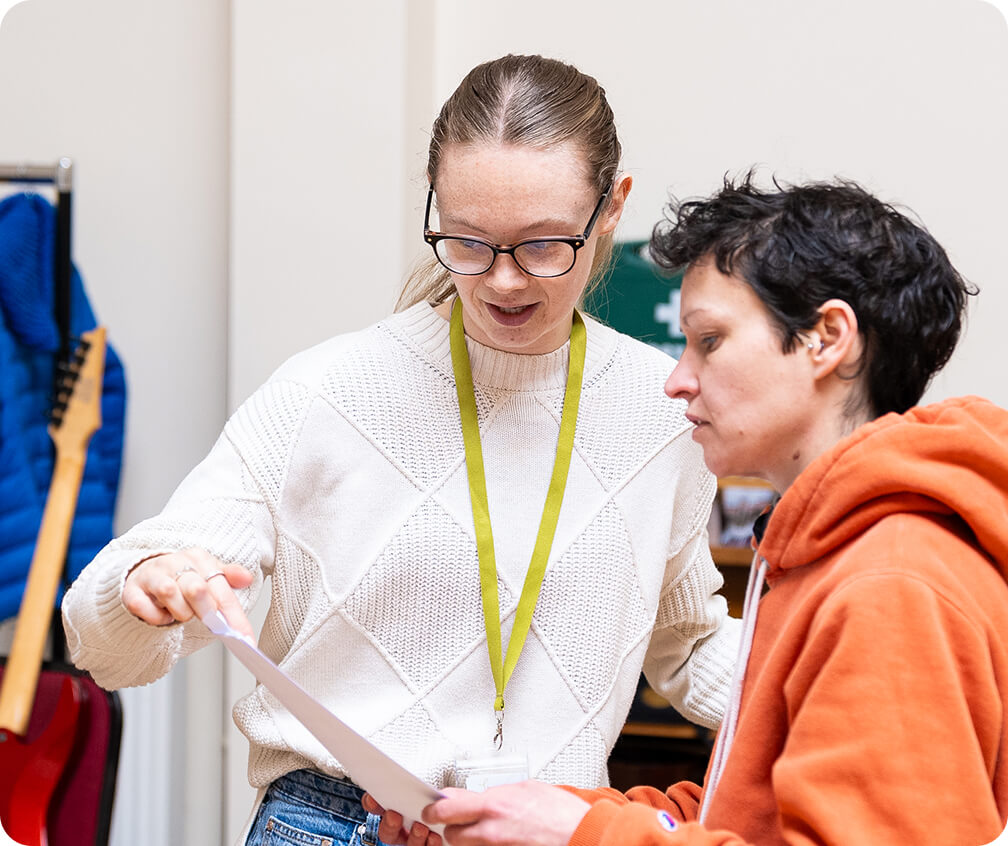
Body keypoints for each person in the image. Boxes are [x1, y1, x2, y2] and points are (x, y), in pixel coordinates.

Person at [60, 54, 740, 845]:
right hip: (335, 824)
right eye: (469, 241)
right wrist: (144, 584)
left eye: (544, 244)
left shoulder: (663, 410)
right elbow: (103, 641)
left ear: (611, 207)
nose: (504, 282)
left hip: (547, 830)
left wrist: (846, 691)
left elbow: (687, 643)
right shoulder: (331, 390)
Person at [370, 173, 1008, 845]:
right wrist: (525, 817)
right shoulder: (833, 553)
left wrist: (579, 836)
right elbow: (751, 811)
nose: (677, 380)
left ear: (826, 338)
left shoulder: (892, 581)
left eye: (709, 341)